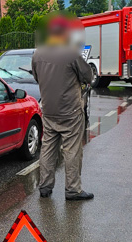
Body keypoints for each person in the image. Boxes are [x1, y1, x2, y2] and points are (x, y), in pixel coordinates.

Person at [31, 16, 95, 201]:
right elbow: (88, 76)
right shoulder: (71, 53)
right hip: (71, 111)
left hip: (49, 110)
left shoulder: (37, 54)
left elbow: (37, 77)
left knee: (48, 148)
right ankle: (73, 190)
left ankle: (45, 186)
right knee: (72, 150)